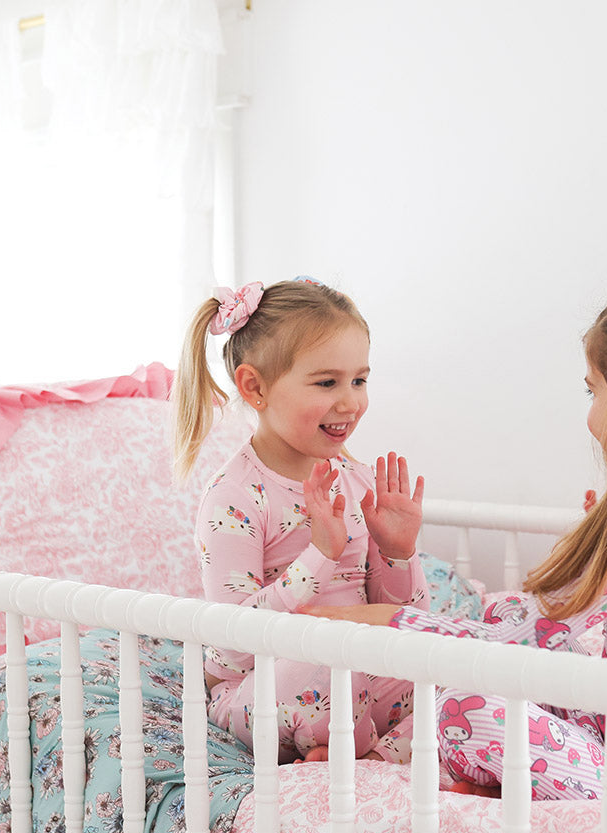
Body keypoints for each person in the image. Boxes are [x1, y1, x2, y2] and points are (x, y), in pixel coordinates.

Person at [312, 275, 607, 800]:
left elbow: (508, 644)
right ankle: (450, 767)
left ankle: (476, 776)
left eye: (595, 390)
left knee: (462, 706)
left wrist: (383, 621)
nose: (591, 415)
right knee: (542, 644)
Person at [172, 276, 428, 764]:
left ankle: (372, 761)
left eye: (359, 380)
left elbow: (400, 615)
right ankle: (370, 755)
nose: (350, 401)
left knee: (448, 659)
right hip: (264, 684)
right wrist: (320, 557)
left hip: (356, 669)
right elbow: (233, 645)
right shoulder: (235, 496)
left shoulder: (355, 479)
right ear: (255, 387)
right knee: (331, 656)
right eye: (327, 382)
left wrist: (398, 552)